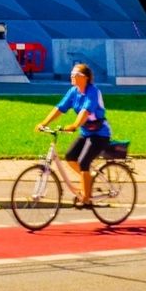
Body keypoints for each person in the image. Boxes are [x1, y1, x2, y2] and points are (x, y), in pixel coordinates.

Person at [37, 62, 112, 206]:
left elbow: (86, 111)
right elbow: (59, 108)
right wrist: (44, 123)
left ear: (85, 77)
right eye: (71, 74)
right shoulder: (73, 91)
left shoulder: (93, 91)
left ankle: (86, 195)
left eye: (75, 74)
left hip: (100, 134)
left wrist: (74, 126)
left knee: (84, 162)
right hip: (86, 132)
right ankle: (88, 180)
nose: (72, 76)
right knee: (70, 157)